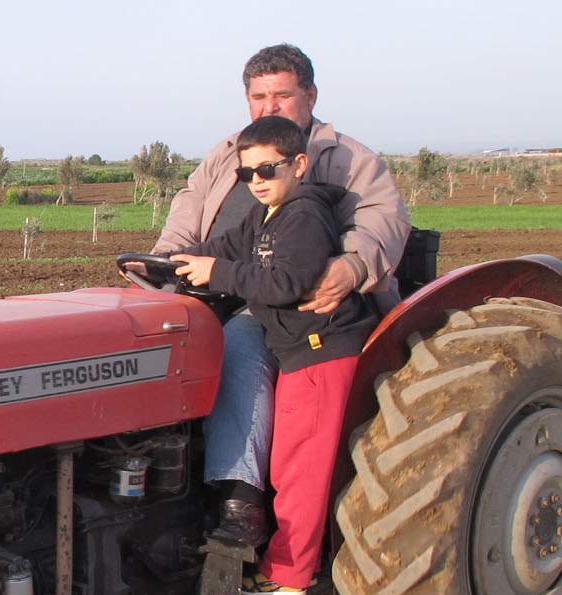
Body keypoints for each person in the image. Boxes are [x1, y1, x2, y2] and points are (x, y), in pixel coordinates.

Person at [153, 43, 409, 547]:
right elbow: (188, 211)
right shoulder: (229, 154)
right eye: (258, 96)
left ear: (310, 95)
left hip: (298, 302)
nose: (269, 106)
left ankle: (240, 504)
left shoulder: (348, 158)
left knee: (239, 348)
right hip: (219, 290)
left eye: (282, 94)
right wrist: (162, 262)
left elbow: (381, 220)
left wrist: (352, 265)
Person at [167, 116, 377, 595]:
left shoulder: (303, 214)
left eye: (268, 170)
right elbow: (221, 248)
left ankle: (289, 575)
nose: (256, 181)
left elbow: (287, 283)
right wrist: (170, 263)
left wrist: (215, 271)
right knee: (285, 463)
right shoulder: (266, 216)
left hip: (321, 350)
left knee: (299, 466)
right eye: (246, 174)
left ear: (299, 165)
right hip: (297, 348)